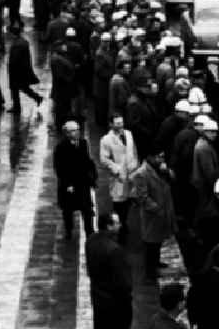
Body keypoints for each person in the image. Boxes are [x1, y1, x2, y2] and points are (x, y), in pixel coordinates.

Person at [85, 212, 133, 329]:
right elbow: (125, 284)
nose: (120, 226)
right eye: (117, 223)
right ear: (109, 226)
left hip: (99, 300)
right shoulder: (115, 251)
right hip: (115, 306)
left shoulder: (91, 240)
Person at [131, 149, 177, 281]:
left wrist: (167, 171)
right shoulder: (142, 173)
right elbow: (142, 197)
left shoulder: (160, 170)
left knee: (158, 243)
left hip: (163, 213)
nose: (161, 160)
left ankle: (156, 263)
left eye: (163, 157)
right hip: (152, 216)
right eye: (159, 157)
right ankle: (149, 273)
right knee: (151, 245)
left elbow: (172, 180)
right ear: (150, 157)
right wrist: (157, 209)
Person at [99, 113, 139, 245]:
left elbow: (133, 151)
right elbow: (104, 160)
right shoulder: (106, 140)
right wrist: (116, 169)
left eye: (121, 122)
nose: (120, 125)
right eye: (117, 123)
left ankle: (124, 222)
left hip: (131, 173)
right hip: (118, 177)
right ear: (111, 124)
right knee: (119, 203)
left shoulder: (129, 134)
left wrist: (136, 167)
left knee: (128, 201)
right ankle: (119, 226)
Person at [54, 121, 96, 240]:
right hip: (69, 185)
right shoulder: (60, 148)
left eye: (76, 130)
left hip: (82, 183)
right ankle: (68, 230)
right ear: (66, 133)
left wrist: (92, 177)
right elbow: (59, 168)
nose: (75, 133)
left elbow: (87, 161)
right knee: (68, 210)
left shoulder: (83, 143)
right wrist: (67, 184)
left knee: (87, 210)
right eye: (72, 131)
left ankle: (90, 232)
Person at [6, 22, 43, 113]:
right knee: (23, 87)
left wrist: (10, 68)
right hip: (22, 69)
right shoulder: (22, 41)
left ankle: (17, 107)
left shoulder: (17, 44)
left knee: (15, 88)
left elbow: (15, 59)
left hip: (17, 70)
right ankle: (37, 98)